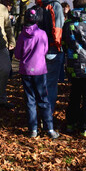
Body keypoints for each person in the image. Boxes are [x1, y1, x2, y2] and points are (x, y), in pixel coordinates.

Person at [14, 8, 60, 139]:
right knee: (43, 99)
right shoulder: (42, 33)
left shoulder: (22, 35)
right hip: (39, 70)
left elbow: (17, 54)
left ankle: (33, 129)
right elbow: (45, 50)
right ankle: (49, 128)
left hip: (26, 70)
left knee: (30, 99)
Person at [62, 0, 86, 137]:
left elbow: (64, 44)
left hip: (73, 65)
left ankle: (71, 123)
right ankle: (85, 127)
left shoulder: (67, 24)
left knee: (74, 95)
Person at [37, 0, 66, 113]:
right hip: (52, 49)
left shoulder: (41, 4)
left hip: (39, 49)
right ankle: (47, 117)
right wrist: (59, 47)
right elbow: (57, 30)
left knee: (41, 83)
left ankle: (39, 112)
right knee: (51, 85)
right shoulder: (56, 6)